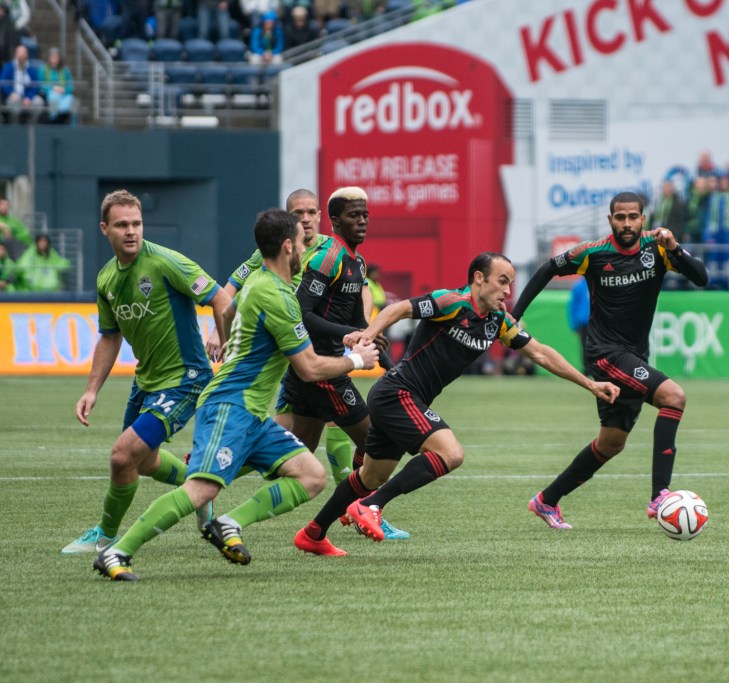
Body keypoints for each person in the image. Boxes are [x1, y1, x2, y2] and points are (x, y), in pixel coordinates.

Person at [93, 209, 381, 580]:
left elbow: (227, 310)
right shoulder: (277, 296)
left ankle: (228, 524)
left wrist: (231, 342)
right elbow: (308, 368)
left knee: (310, 475)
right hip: (231, 406)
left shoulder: (259, 283)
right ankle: (117, 551)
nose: (305, 253)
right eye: (302, 244)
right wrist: (357, 359)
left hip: (254, 413)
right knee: (201, 490)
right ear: (288, 246)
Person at [293, 252, 620, 554]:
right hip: (397, 392)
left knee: (369, 477)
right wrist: (367, 335)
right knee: (450, 453)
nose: (507, 291)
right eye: (502, 281)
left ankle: (313, 533)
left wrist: (589, 383)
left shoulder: (498, 321)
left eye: (510, 283)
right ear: (479, 278)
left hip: (404, 398)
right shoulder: (451, 301)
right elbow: (399, 309)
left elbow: (540, 353)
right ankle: (371, 505)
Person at [509, 191, 709, 529]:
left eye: (633, 217)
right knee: (674, 396)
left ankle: (546, 500)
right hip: (605, 356)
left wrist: (674, 246)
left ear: (643, 219)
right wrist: (515, 315)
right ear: (610, 220)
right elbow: (547, 269)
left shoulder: (658, 248)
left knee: (611, 443)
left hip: (633, 355)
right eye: (620, 217)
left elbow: (701, 278)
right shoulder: (593, 253)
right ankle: (661, 495)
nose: (627, 223)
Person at [63, 190, 233, 554]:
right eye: (122, 224)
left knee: (122, 456)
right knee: (143, 462)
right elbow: (109, 337)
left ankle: (106, 537)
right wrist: (92, 390)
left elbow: (222, 298)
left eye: (136, 223)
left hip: (185, 380)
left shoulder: (165, 262)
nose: (131, 231)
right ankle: (198, 490)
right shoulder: (107, 278)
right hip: (147, 382)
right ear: (104, 228)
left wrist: (224, 339)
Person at [282, 186, 408, 541]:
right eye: (354, 216)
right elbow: (302, 315)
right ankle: (365, 511)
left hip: (326, 367)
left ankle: (214, 474)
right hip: (322, 369)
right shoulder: (328, 259)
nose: (363, 222)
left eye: (366, 215)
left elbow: (359, 326)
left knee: (294, 455)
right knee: (377, 442)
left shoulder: (357, 262)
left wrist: (385, 359)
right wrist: (349, 335)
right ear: (335, 222)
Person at [1, 44, 44, 124]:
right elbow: (3, 82)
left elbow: (36, 85)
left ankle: (30, 126)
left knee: (39, 102)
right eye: (19, 52)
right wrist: (11, 93)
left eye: (24, 52)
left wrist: (29, 97)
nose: (21, 54)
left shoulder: (32, 69)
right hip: (13, 96)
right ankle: (15, 126)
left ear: (27, 55)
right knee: (14, 103)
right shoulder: (8, 67)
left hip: (28, 97)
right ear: (15, 54)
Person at [39, 47, 76, 124]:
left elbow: (71, 86)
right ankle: (53, 119)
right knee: (54, 96)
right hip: (49, 93)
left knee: (73, 101)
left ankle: (73, 126)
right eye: (52, 56)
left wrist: (64, 90)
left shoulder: (65, 70)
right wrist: (52, 88)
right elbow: (40, 85)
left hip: (64, 94)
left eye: (56, 56)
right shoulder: (43, 70)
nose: (54, 59)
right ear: (49, 58)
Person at [649, 179, 688, 244]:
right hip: (655, 232)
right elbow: (652, 216)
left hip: (670, 234)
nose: (667, 189)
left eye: (669, 186)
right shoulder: (657, 201)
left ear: (673, 188)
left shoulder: (679, 203)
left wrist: (675, 235)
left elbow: (680, 221)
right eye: (665, 186)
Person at [567, 275, 589, 369]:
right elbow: (573, 305)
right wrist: (574, 324)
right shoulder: (579, 285)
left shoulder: (599, 281)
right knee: (585, 347)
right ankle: (587, 370)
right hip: (584, 322)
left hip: (599, 322)